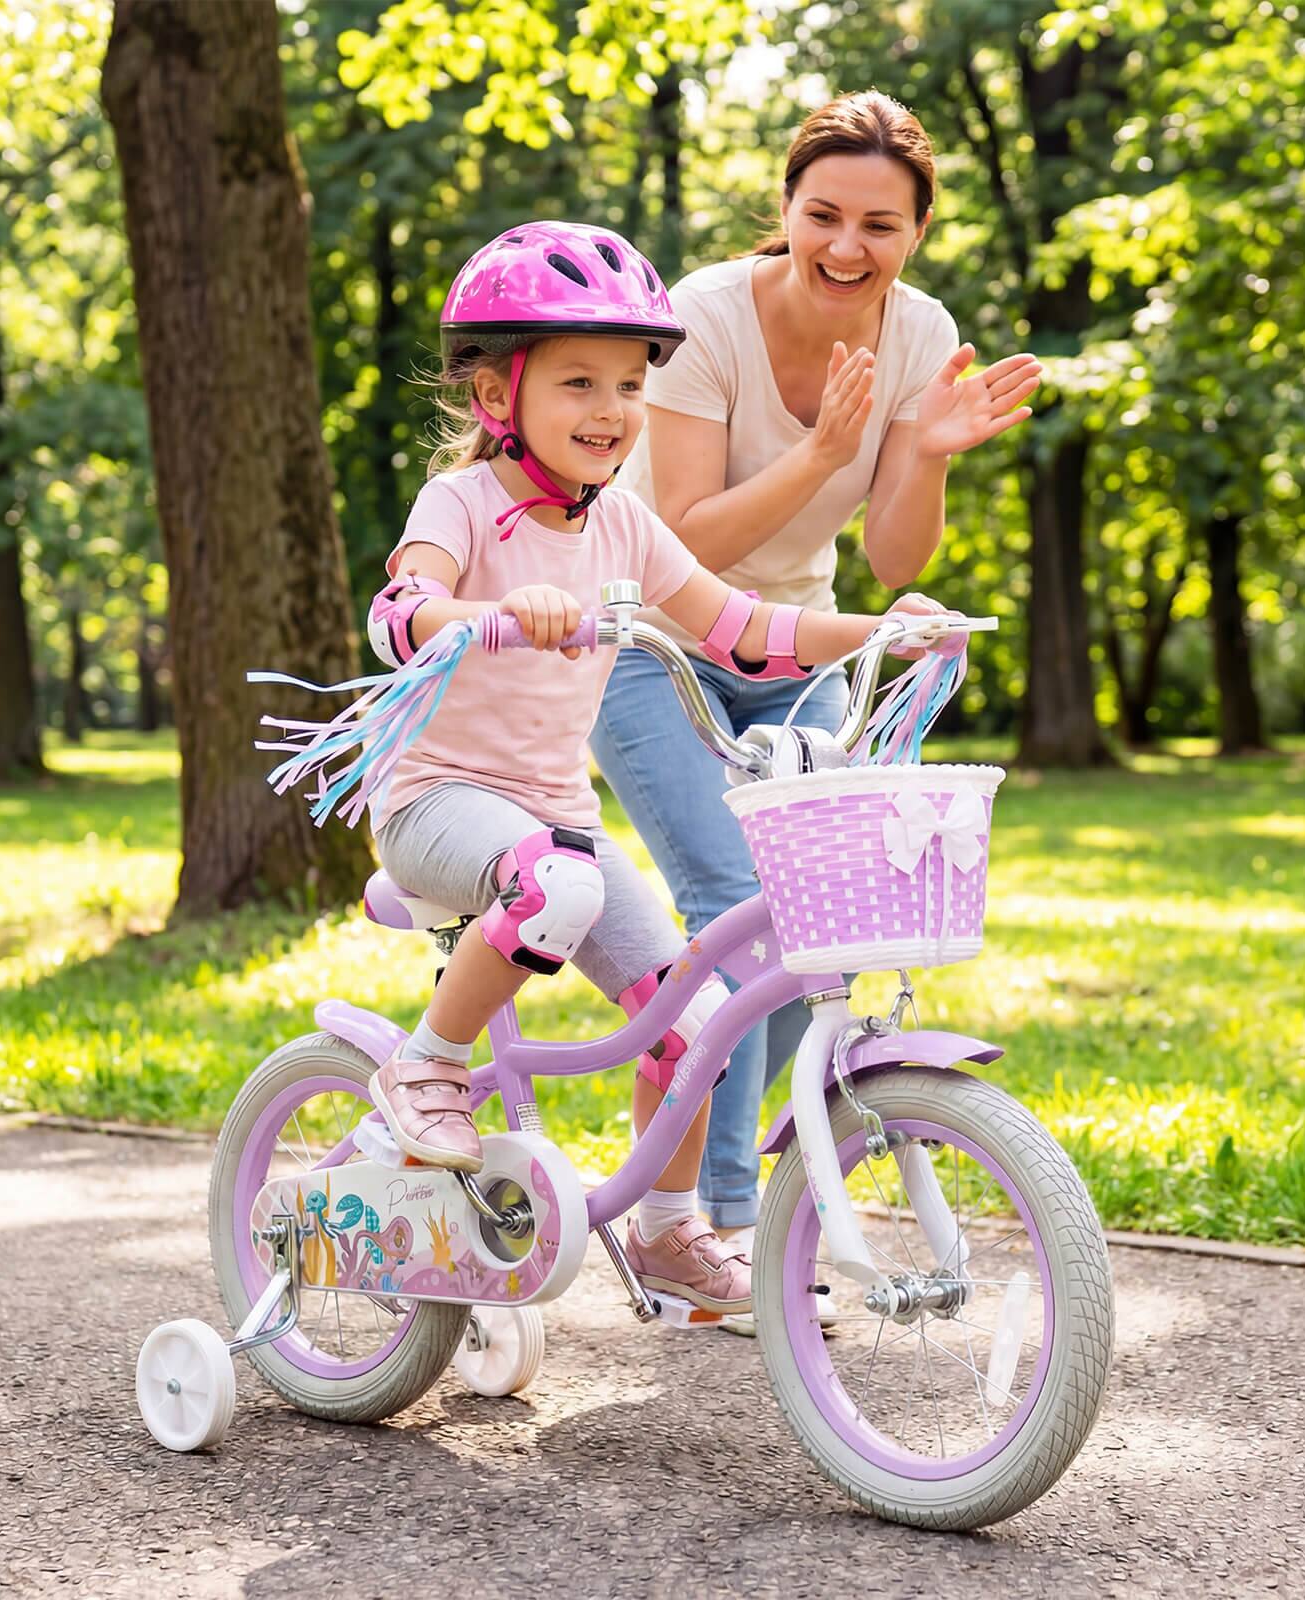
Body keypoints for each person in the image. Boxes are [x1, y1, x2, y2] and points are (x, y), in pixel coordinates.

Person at [343, 221, 961, 1316]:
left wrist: (882, 629)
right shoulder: (463, 505)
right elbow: (401, 611)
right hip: (435, 806)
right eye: (578, 381)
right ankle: (425, 1065)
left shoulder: (623, 524)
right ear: (498, 401)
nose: (611, 409)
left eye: (629, 383)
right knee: (558, 882)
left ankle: (672, 1233)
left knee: (699, 1021)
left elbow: (744, 629)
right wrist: (488, 615)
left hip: (551, 826)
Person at [591, 91, 1041, 1247]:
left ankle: (725, 1199)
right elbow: (686, 541)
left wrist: (923, 451)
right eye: (824, 214)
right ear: (784, 209)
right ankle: (706, 1224)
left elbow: (892, 555)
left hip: (798, 654)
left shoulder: (922, 338)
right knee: (733, 906)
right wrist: (827, 450)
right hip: (653, 648)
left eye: (880, 225)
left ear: (917, 232)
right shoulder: (701, 319)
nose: (848, 246)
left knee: (818, 931)